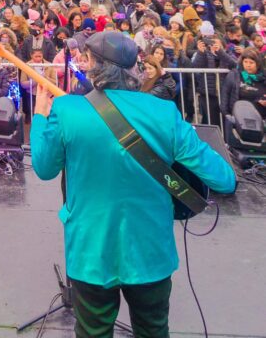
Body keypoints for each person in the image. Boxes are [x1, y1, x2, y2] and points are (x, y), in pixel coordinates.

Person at [30, 31, 236, 337]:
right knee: (153, 330)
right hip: (151, 251)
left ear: (97, 66)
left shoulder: (67, 110)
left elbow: (44, 168)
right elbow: (224, 178)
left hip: (91, 250)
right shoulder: (164, 112)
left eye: (87, 60)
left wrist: (39, 115)